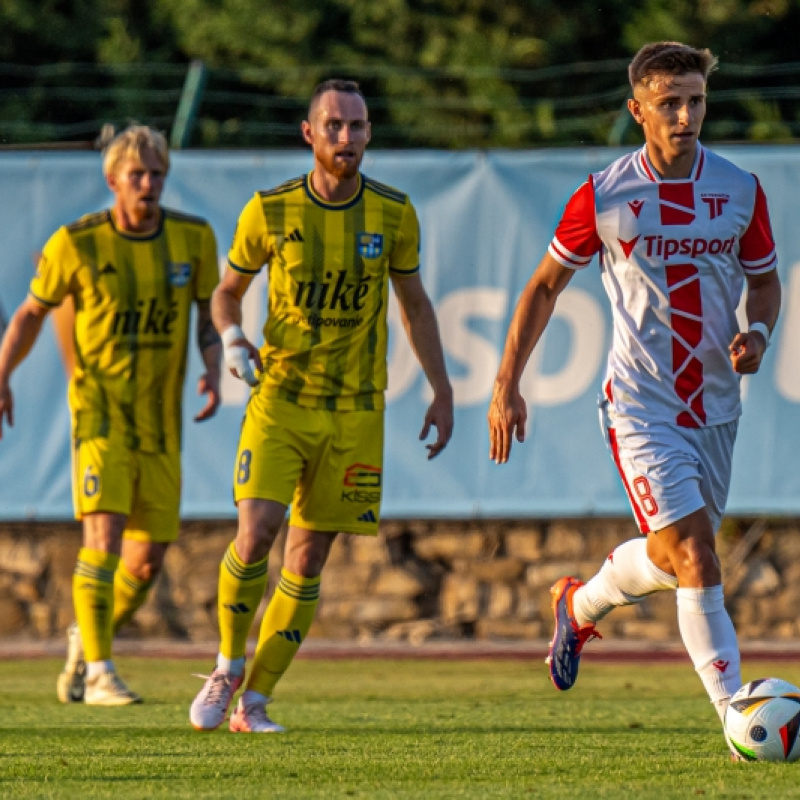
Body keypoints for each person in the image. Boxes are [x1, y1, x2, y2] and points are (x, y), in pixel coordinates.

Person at [488, 42, 781, 751]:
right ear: (638, 110)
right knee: (698, 559)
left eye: (696, 101)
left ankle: (579, 603)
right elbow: (543, 287)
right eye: (669, 103)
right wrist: (506, 383)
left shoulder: (740, 189)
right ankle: (735, 715)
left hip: (716, 406)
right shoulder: (607, 194)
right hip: (640, 405)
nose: (686, 116)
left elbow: (765, 280)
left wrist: (760, 332)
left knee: (675, 554)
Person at [189, 78, 453, 733]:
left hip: (356, 413)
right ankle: (226, 666)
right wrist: (231, 337)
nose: (347, 138)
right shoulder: (270, 210)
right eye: (334, 126)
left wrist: (443, 390)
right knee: (255, 536)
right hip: (279, 401)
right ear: (309, 133)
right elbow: (226, 293)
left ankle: (255, 703)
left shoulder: (393, 213)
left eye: (358, 127)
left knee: (307, 561)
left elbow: (416, 305)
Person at [0, 125, 222, 705]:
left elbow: (207, 313)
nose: (148, 184)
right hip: (99, 417)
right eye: (137, 175)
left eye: (157, 174)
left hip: (160, 424)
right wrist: (1, 375)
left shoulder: (193, 239)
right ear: (112, 181)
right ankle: (99, 671)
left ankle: (86, 638)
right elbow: (29, 314)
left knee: (144, 564)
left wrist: (213, 365)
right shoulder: (77, 244)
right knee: (101, 536)